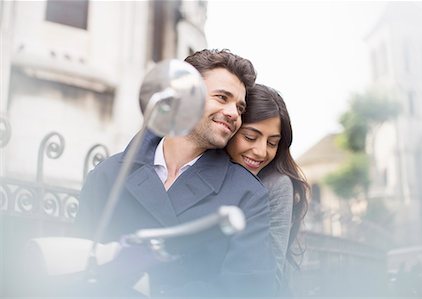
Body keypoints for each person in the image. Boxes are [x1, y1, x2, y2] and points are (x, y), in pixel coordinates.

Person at [73, 49, 276, 297]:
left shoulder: (248, 195)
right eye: (222, 97)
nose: (234, 114)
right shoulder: (109, 175)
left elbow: (247, 290)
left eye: (240, 107)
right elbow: (78, 264)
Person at [226, 83, 309, 295]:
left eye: (272, 143)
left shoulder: (276, 184)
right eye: (250, 137)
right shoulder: (205, 171)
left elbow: (272, 276)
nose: (261, 152)